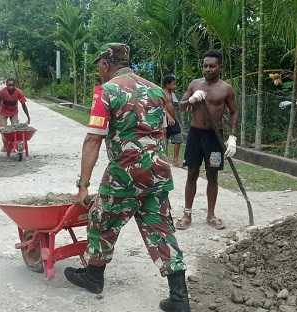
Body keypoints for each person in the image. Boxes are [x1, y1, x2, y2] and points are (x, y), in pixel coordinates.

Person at [65, 43, 190, 312]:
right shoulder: (157, 90)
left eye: (99, 64)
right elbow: (165, 130)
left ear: (107, 63)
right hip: (156, 172)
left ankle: (93, 276)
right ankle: (179, 297)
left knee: (101, 219)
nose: (99, 69)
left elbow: (93, 140)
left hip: (125, 174)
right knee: (161, 229)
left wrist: (83, 186)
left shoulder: (106, 92)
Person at [176, 50, 239, 231]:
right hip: (195, 136)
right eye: (205, 66)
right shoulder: (195, 84)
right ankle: (187, 214)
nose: (208, 69)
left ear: (220, 67)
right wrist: (191, 99)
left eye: (212, 66)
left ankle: (211, 214)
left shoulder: (226, 88)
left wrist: (232, 137)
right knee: (192, 174)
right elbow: (180, 106)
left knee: (213, 175)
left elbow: (234, 111)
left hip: (214, 138)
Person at [0, 78, 30, 154]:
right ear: (6, 85)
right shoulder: (2, 92)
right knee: (3, 130)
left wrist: (28, 116)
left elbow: (24, 105)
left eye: (12, 85)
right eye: (9, 85)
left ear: (15, 86)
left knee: (16, 129)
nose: (11, 87)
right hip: (3, 112)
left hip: (14, 112)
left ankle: (14, 144)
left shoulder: (19, 92)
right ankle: (5, 145)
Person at [163, 75, 184, 167]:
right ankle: (163, 160)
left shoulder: (172, 94)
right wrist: (169, 117)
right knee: (164, 141)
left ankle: (175, 160)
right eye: (173, 84)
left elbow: (176, 105)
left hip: (173, 120)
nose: (175, 86)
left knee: (178, 139)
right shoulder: (162, 93)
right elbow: (162, 107)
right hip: (165, 120)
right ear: (167, 84)